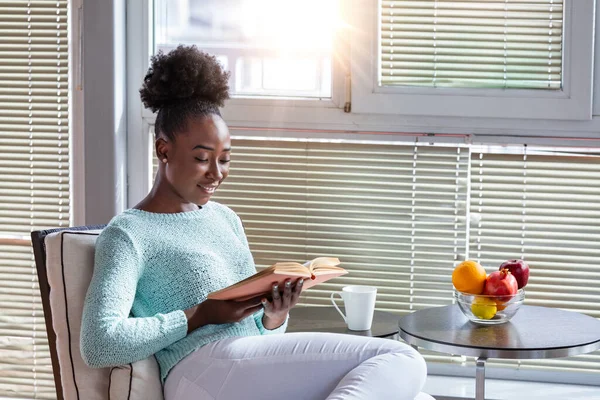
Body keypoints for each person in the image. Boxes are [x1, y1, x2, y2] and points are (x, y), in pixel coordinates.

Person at [80, 45, 427, 400]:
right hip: (199, 372)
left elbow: (259, 337)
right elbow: (99, 343)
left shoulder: (225, 219)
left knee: (417, 396)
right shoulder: (129, 233)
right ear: (163, 149)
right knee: (401, 358)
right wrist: (198, 315)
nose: (216, 173)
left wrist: (274, 317)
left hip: (246, 366)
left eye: (225, 159)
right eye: (202, 158)